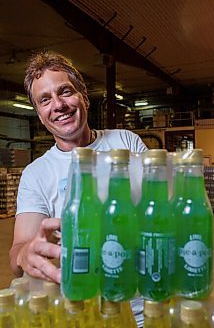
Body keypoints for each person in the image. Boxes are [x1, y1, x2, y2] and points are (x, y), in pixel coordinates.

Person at [9, 51, 147, 283]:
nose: (58, 105)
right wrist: (25, 254)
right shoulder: (36, 174)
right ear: (40, 117)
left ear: (84, 97)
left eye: (65, 91)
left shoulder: (126, 142)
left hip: (139, 299)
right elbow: (17, 255)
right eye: (45, 100)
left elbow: (161, 207)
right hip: (81, 303)